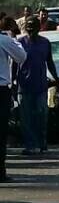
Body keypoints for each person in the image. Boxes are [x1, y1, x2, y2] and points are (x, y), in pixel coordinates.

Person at [17, 16, 59, 155]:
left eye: (33, 27)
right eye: (28, 27)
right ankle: (30, 145)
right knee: (26, 119)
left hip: (41, 86)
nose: (30, 30)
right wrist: (12, 83)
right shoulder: (20, 43)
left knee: (41, 117)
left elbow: (50, 62)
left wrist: (56, 78)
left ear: (38, 28)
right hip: (24, 86)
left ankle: (42, 143)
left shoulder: (45, 43)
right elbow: (14, 65)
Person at [0, 21, 26, 182]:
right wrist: (12, 38)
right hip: (1, 90)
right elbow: (22, 56)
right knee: (1, 132)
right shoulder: (3, 39)